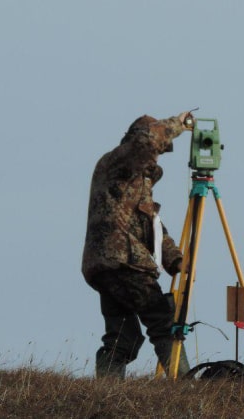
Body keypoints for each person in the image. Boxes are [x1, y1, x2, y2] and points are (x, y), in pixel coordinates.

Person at [81, 111, 194, 378]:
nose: (158, 153)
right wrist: (178, 124)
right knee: (163, 321)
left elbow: (152, 226)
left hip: (109, 264)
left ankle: (107, 394)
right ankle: (186, 386)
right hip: (123, 260)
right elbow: (146, 142)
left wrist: (175, 259)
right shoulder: (117, 162)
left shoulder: (136, 182)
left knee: (123, 338)